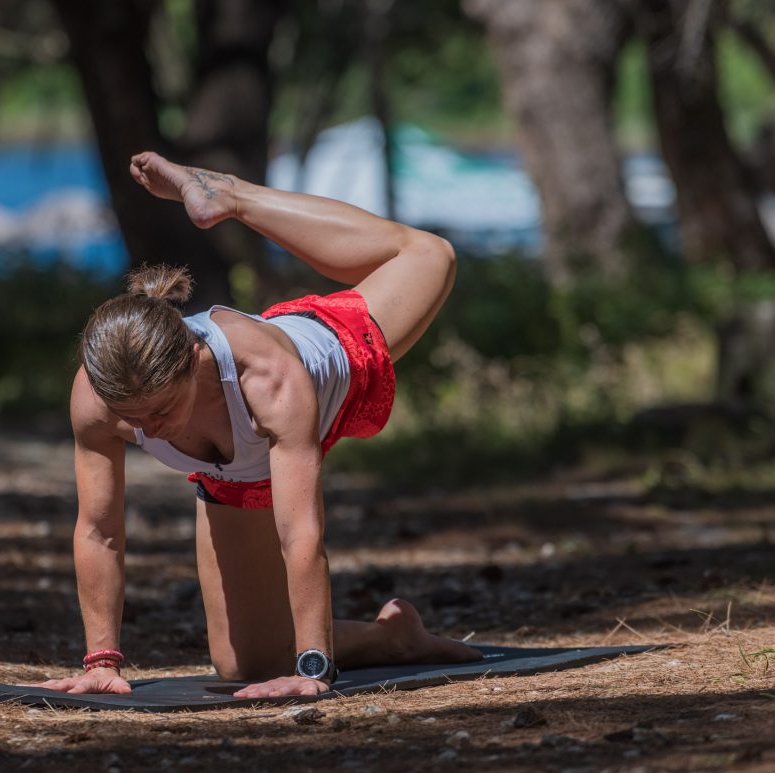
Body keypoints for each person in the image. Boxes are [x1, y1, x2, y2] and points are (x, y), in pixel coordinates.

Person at [40, 151, 480, 699]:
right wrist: (102, 661)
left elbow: (301, 530)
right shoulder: (97, 397)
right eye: (133, 418)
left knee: (428, 253)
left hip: (336, 353)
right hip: (235, 470)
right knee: (244, 663)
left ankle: (231, 195)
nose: (148, 429)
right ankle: (395, 638)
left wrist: (314, 669)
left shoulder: (268, 377)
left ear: (194, 363)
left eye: (160, 412)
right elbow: (99, 530)